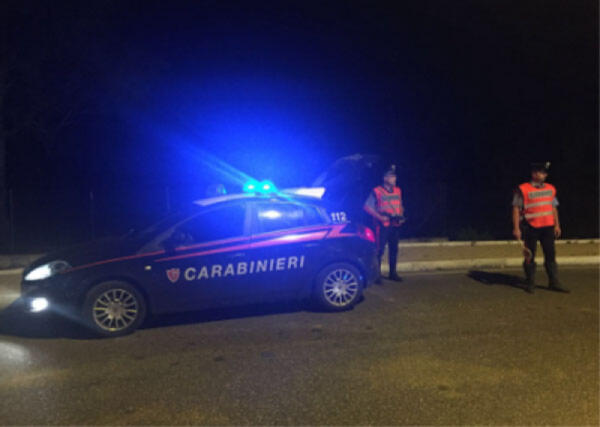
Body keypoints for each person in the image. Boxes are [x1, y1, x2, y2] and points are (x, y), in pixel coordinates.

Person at [512, 162, 569, 294]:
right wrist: (516, 228)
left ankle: (554, 282)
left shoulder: (550, 188)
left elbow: (553, 207)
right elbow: (515, 209)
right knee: (529, 256)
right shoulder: (523, 189)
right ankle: (530, 282)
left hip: (548, 227)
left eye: (543, 173)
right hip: (530, 227)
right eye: (538, 172)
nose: (541, 175)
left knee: (550, 255)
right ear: (533, 173)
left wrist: (557, 225)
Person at [364, 165, 405, 283]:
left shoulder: (398, 190)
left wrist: (401, 215)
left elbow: (400, 204)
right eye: (392, 176)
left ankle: (393, 273)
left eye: (394, 176)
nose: (395, 179)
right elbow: (367, 207)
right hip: (382, 225)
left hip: (395, 224)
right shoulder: (377, 191)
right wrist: (380, 217)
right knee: (379, 250)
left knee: (394, 249)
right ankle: (376, 275)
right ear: (385, 178)